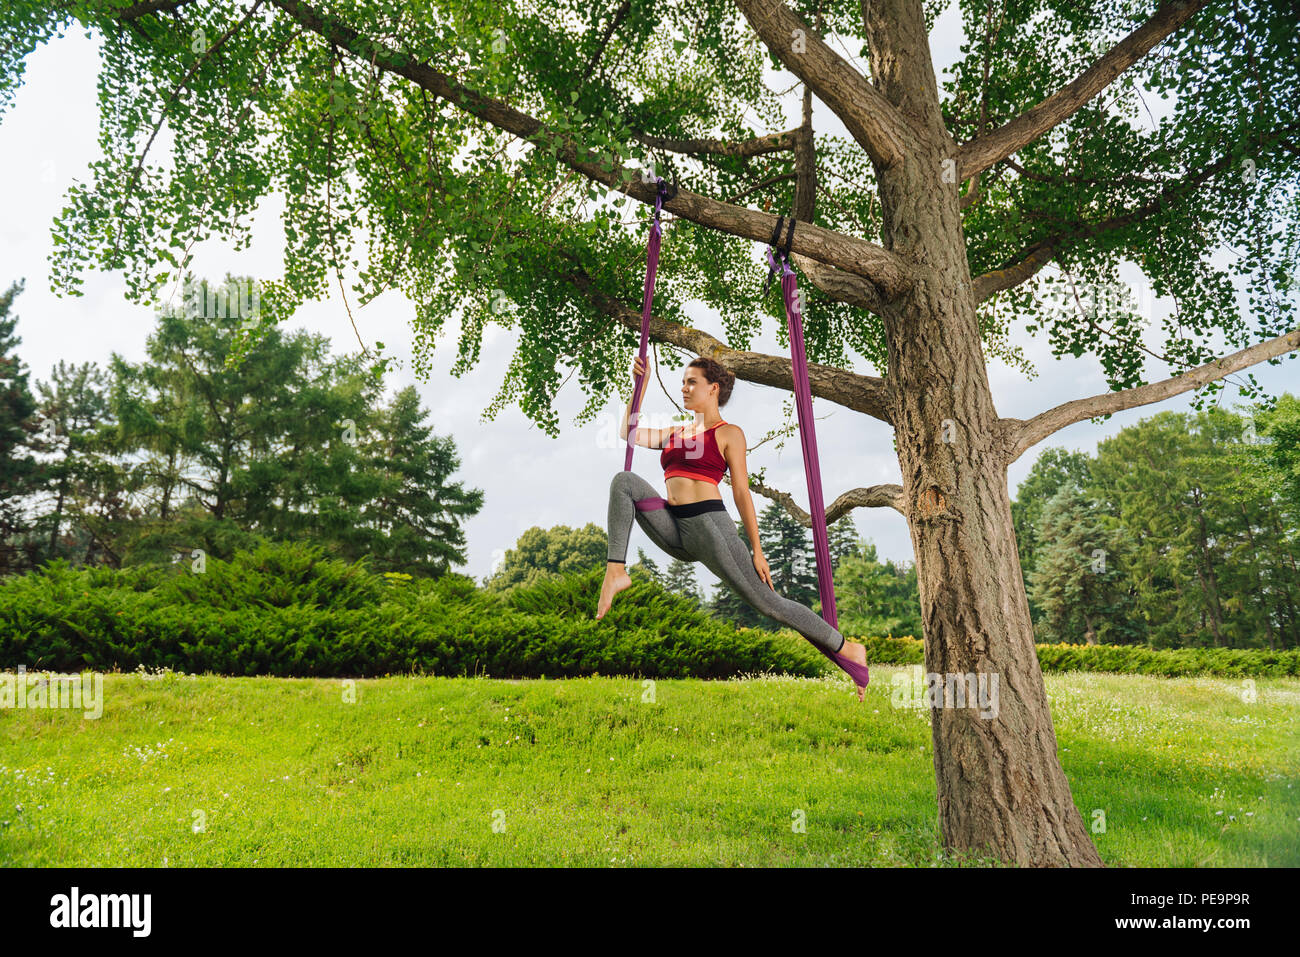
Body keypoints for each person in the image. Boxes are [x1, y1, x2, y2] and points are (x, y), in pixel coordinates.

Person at [599, 353, 870, 701]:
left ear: (713, 389)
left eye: (691, 382)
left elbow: (741, 492)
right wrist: (641, 385)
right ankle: (616, 570)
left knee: (769, 603)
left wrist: (757, 550)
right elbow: (629, 433)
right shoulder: (676, 432)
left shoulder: (728, 433)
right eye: (683, 382)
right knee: (624, 482)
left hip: (711, 528)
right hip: (677, 530)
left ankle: (848, 648)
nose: (684, 388)